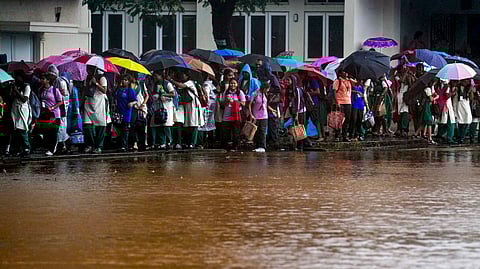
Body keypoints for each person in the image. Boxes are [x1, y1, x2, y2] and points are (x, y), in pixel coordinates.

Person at [169, 71, 204, 149]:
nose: (182, 76)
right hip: (187, 105)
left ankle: (193, 143)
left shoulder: (190, 82)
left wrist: (170, 80)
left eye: (183, 74)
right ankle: (189, 142)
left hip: (193, 104)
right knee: (188, 123)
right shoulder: (186, 82)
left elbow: (181, 85)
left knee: (194, 123)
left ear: (187, 76)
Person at [82, 67, 108, 154]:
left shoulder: (102, 78)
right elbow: (85, 90)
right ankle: (90, 144)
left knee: (100, 125)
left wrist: (96, 83)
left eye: (89, 70)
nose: (88, 71)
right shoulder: (87, 78)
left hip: (99, 104)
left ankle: (98, 146)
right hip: (89, 103)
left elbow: (104, 90)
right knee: (87, 124)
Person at [38, 73, 63, 156]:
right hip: (45, 114)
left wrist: (52, 107)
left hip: (54, 114)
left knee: (53, 132)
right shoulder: (41, 90)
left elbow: (60, 101)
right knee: (46, 132)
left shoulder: (54, 90)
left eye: (43, 79)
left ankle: (52, 149)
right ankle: (50, 147)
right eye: (41, 79)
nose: (41, 80)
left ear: (48, 80)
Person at [150, 70, 175, 150]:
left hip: (167, 106)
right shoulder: (156, 84)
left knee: (166, 124)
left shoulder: (167, 84)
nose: (155, 77)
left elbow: (173, 94)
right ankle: (162, 142)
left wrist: (163, 94)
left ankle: (169, 141)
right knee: (159, 124)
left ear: (160, 75)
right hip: (158, 106)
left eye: (156, 76)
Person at [10, 70, 32, 156]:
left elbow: (24, 99)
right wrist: (13, 90)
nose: (16, 78)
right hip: (15, 109)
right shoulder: (16, 86)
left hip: (23, 110)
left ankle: (27, 147)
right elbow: (11, 97)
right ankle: (18, 148)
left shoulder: (27, 87)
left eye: (17, 76)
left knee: (22, 128)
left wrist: (17, 91)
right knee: (16, 129)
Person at [221, 78, 245, 151]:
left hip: (236, 115)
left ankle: (235, 147)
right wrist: (227, 100)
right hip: (227, 115)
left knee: (236, 131)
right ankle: (225, 146)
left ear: (237, 84)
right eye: (231, 83)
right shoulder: (226, 92)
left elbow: (243, 103)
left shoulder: (240, 92)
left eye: (234, 83)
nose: (233, 85)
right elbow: (223, 103)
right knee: (226, 132)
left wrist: (235, 101)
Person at [115, 74, 137, 152]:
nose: (124, 81)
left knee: (125, 129)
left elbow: (135, 100)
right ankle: (120, 144)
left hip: (126, 112)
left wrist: (132, 103)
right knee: (119, 129)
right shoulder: (119, 90)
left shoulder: (130, 91)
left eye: (126, 80)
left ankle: (124, 145)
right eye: (123, 80)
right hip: (119, 112)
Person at [283, 75, 306, 150]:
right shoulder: (289, 90)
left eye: (288, 80)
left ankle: (301, 145)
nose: (287, 82)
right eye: (286, 80)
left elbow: (298, 102)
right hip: (292, 110)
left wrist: (296, 114)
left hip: (300, 111)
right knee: (293, 127)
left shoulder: (297, 90)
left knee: (300, 127)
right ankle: (295, 144)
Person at [129, 74, 149, 151]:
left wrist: (143, 104)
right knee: (133, 125)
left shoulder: (141, 84)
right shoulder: (129, 85)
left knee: (142, 125)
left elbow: (147, 95)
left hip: (142, 107)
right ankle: (134, 142)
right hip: (133, 107)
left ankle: (143, 142)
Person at [333, 71, 354, 142]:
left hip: (348, 102)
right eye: (344, 72)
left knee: (347, 119)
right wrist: (337, 102)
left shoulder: (348, 81)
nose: (346, 73)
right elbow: (334, 92)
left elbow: (356, 84)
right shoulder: (337, 81)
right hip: (340, 102)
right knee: (339, 119)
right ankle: (337, 135)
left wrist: (351, 79)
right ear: (340, 73)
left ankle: (344, 136)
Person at [249, 81, 269, 153]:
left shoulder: (265, 94)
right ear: (264, 88)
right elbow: (249, 104)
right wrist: (251, 114)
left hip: (264, 116)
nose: (268, 90)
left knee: (263, 131)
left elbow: (266, 104)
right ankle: (257, 146)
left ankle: (262, 146)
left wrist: (272, 110)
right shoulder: (255, 93)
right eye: (267, 89)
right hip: (256, 115)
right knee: (256, 131)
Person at [198, 75, 217, 149]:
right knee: (210, 124)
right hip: (211, 107)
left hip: (207, 107)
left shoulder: (206, 85)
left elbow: (207, 97)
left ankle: (206, 143)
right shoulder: (209, 84)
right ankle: (210, 143)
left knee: (205, 124)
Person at [435, 79, 456, 144]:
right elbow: (447, 96)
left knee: (443, 122)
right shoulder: (447, 87)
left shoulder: (438, 86)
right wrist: (453, 93)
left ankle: (440, 135)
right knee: (450, 122)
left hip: (442, 105)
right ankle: (449, 138)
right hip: (447, 106)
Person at [454, 79, 473, 144]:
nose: (466, 82)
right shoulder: (457, 88)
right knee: (460, 123)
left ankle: (462, 137)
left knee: (466, 122)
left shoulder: (469, 88)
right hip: (459, 106)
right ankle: (459, 137)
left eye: (467, 81)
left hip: (466, 106)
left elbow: (471, 98)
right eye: (465, 81)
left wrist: (470, 91)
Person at [423, 80, 438, 144]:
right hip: (426, 106)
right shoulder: (428, 89)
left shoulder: (428, 89)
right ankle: (430, 138)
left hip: (426, 105)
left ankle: (419, 134)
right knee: (429, 121)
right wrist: (436, 97)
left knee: (424, 121)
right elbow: (431, 99)